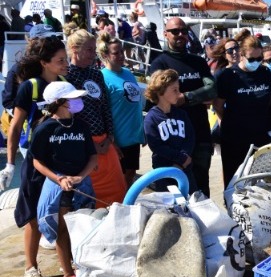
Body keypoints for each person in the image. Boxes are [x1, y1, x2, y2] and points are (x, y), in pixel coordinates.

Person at [2, 36, 68, 277]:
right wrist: (9, 164)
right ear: (44, 63)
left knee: (62, 210)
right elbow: (16, 127)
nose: (65, 64)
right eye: (60, 60)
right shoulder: (29, 87)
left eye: (66, 59)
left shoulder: (64, 83)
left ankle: (67, 265)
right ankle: (30, 266)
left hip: (60, 157)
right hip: (35, 158)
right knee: (32, 215)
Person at [30, 82, 97, 277]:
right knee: (62, 229)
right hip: (59, 186)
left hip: (80, 184)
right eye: (72, 98)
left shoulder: (81, 125)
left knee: (85, 226)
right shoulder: (45, 128)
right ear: (59, 103)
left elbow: (93, 157)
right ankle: (68, 274)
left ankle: (82, 265)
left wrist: (81, 176)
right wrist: (59, 179)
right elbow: (37, 162)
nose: (78, 101)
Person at [149, 17, 216, 197]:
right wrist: (198, 96)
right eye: (175, 31)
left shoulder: (199, 62)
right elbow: (157, 96)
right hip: (173, 141)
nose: (180, 35)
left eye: (184, 31)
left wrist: (185, 97)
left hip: (200, 134)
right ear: (165, 34)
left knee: (201, 189)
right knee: (174, 192)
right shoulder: (159, 63)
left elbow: (212, 89)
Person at [66, 29, 127, 207]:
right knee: (93, 193)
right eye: (89, 50)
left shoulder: (96, 74)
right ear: (74, 49)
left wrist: (110, 137)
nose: (94, 55)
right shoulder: (67, 76)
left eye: (94, 49)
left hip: (105, 141)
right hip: (83, 144)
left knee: (118, 186)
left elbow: (105, 106)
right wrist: (88, 144)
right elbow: (69, 115)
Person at [214, 32, 271, 188]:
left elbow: (267, 99)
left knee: (260, 180)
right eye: (252, 59)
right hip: (235, 137)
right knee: (234, 179)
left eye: (259, 59)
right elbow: (218, 104)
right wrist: (227, 121)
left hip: (260, 135)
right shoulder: (226, 76)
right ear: (241, 55)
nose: (256, 62)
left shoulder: (265, 73)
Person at [97, 32, 145, 188]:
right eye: (116, 53)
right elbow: (102, 111)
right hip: (118, 138)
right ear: (105, 55)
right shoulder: (102, 77)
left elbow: (135, 103)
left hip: (133, 136)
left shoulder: (128, 73)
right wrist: (112, 142)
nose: (121, 56)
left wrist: (142, 132)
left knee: (130, 175)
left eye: (122, 52)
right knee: (118, 179)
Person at [143, 69, 197, 193]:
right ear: (161, 91)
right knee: (169, 209)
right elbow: (156, 145)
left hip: (185, 169)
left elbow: (190, 137)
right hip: (164, 172)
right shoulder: (151, 118)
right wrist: (179, 158)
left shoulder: (181, 114)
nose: (179, 93)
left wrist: (184, 158)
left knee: (191, 203)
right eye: (174, 90)